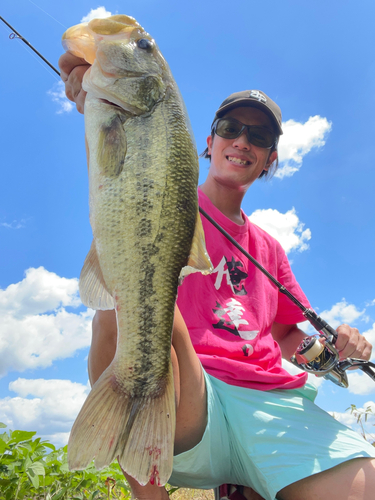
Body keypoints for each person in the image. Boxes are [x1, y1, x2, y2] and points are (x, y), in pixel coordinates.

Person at [59, 52, 375, 500]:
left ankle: (246, 484)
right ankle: (149, 493)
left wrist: (336, 350)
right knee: (116, 315)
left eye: (259, 135)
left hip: (273, 402)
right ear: (209, 142)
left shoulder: (271, 248)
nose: (243, 140)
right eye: (231, 129)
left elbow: (286, 333)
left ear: (269, 159)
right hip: (192, 400)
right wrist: (97, 99)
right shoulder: (164, 193)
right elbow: (119, 167)